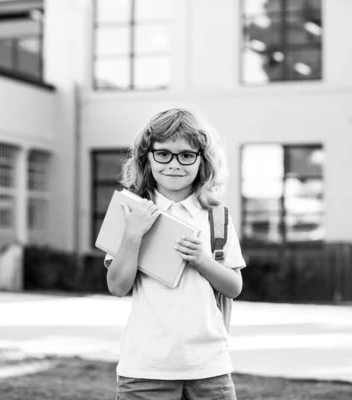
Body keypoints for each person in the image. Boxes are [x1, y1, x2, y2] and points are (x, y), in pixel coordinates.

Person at [105, 107, 246, 400]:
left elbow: (234, 287)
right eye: (163, 153)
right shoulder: (128, 210)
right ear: (147, 157)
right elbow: (118, 287)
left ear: (202, 160)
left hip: (210, 370)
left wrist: (202, 261)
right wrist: (133, 233)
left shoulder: (216, 216)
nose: (174, 164)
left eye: (186, 155)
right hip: (145, 370)